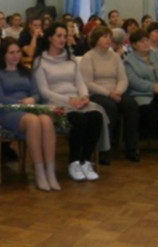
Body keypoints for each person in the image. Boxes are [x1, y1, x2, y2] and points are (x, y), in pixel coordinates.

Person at [32, 22, 105, 182]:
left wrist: (84, 96)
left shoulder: (70, 59)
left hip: (76, 100)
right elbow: (44, 91)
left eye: (65, 36)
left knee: (95, 116)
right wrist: (69, 100)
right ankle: (74, 162)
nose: (63, 39)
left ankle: (85, 161)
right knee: (79, 120)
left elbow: (80, 82)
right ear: (50, 38)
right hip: (55, 102)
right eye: (59, 36)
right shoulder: (40, 62)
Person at [0, 38, 60, 191]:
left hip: (29, 106)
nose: (15, 56)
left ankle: (50, 171)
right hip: (7, 110)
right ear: (3, 55)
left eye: (18, 52)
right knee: (33, 121)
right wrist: (20, 103)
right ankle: (39, 172)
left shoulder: (26, 71)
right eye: (11, 53)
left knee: (46, 120)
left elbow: (37, 93)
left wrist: (32, 99)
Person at [80, 25, 140, 163]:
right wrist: (108, 93)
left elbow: (123, 78)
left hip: (116, 91)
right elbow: (88, 83)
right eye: (104, 37)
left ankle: (132, 147)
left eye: (109, 37)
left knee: (131, 105)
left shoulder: (115, 56)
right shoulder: (88, 57)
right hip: (97, 93)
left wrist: (117, 92)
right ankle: (104, 149)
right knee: (110, 108)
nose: (108, 40)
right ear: (96, 39)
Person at [123, 29, 158, 157]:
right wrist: (153, 87)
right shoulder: (129, 60)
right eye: (141, 42)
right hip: (142, 94)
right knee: (149, 112)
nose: (145, 44)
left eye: (146, 40)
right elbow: (133, 81)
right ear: (133, 45)